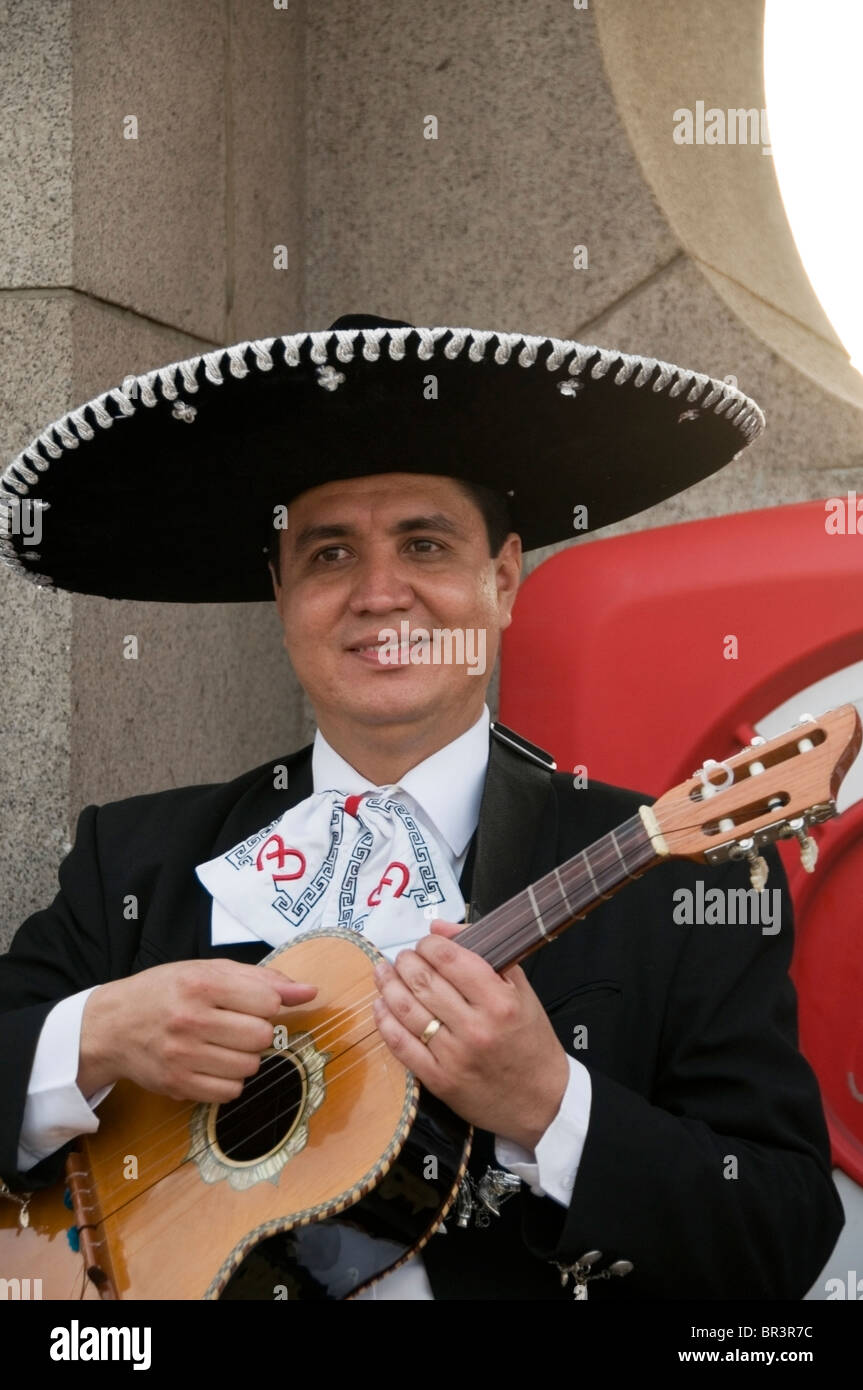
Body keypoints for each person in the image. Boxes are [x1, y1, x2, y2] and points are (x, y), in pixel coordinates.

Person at [0, 315, 843, 1299]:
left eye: (424, 544)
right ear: (280, 594)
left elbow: (780, 1231)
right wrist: (96, 1033)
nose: (378, 592)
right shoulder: (134, 856)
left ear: (502, 580)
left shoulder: (683, 874)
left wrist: (548, 1104)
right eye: (327, 555)